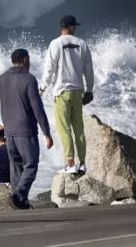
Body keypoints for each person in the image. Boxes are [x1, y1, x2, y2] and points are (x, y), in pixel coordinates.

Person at [0, 49, 54, 209]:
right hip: (26, 131)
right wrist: (47, 132)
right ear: (26, 59)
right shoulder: (29, 79)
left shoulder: (1, 79)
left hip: (9, 133)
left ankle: (20, 203)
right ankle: (18, 195)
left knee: (16, 167)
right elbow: (37, 109)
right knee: (31, 165)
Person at [40, 15, 94, 175]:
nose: (75, 28)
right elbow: (89, 71)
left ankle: (70, 163)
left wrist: (42, 88)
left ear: (62, 27)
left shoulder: (55, 44)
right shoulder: (82, 44)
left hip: (61, 92)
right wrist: (89, 90)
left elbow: (49, 70)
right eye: (74, 26)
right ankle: (82, 164)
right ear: (71, 26)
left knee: (64, 129)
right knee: (79, 128)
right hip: (77, 92)